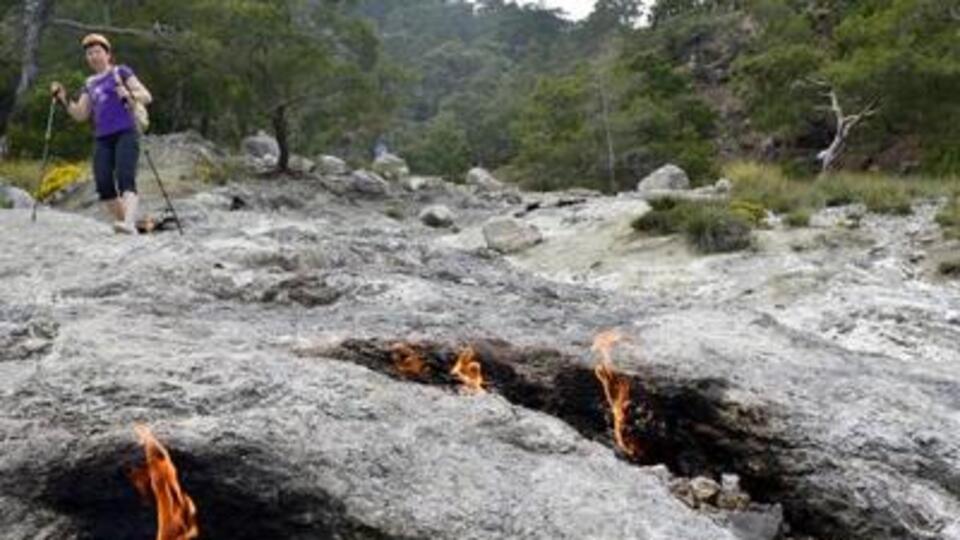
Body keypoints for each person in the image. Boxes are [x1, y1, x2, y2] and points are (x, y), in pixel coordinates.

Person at [51, 33, 152, 234]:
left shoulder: (120, 72)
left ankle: (129, 223)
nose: (93, 56)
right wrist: (63, 99)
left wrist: (130, 94)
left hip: (126, 132)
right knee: (104, 185)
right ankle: (129, 224)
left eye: (97, 52)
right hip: (103, 138)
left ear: (108, 54)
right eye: (89, 53)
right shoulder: (89, 83)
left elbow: (147, 96)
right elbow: (81, 114)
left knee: (125, 178)